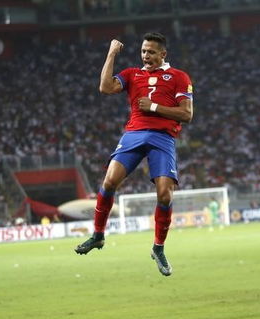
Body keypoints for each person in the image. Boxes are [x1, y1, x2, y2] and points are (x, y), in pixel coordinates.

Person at [74, 32, 193, 276]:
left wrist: (155, 107)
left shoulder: (179, 77)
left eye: (151, 52)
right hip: (134, 135)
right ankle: (98, 235)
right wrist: (111, 54)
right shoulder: (132, 74)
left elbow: (186, 114)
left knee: (165, 195)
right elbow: (105, 87)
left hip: (163, 138)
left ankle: (158, 248)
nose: (146, 56)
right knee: (109, 182)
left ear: (163, 54)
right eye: (143, 51)